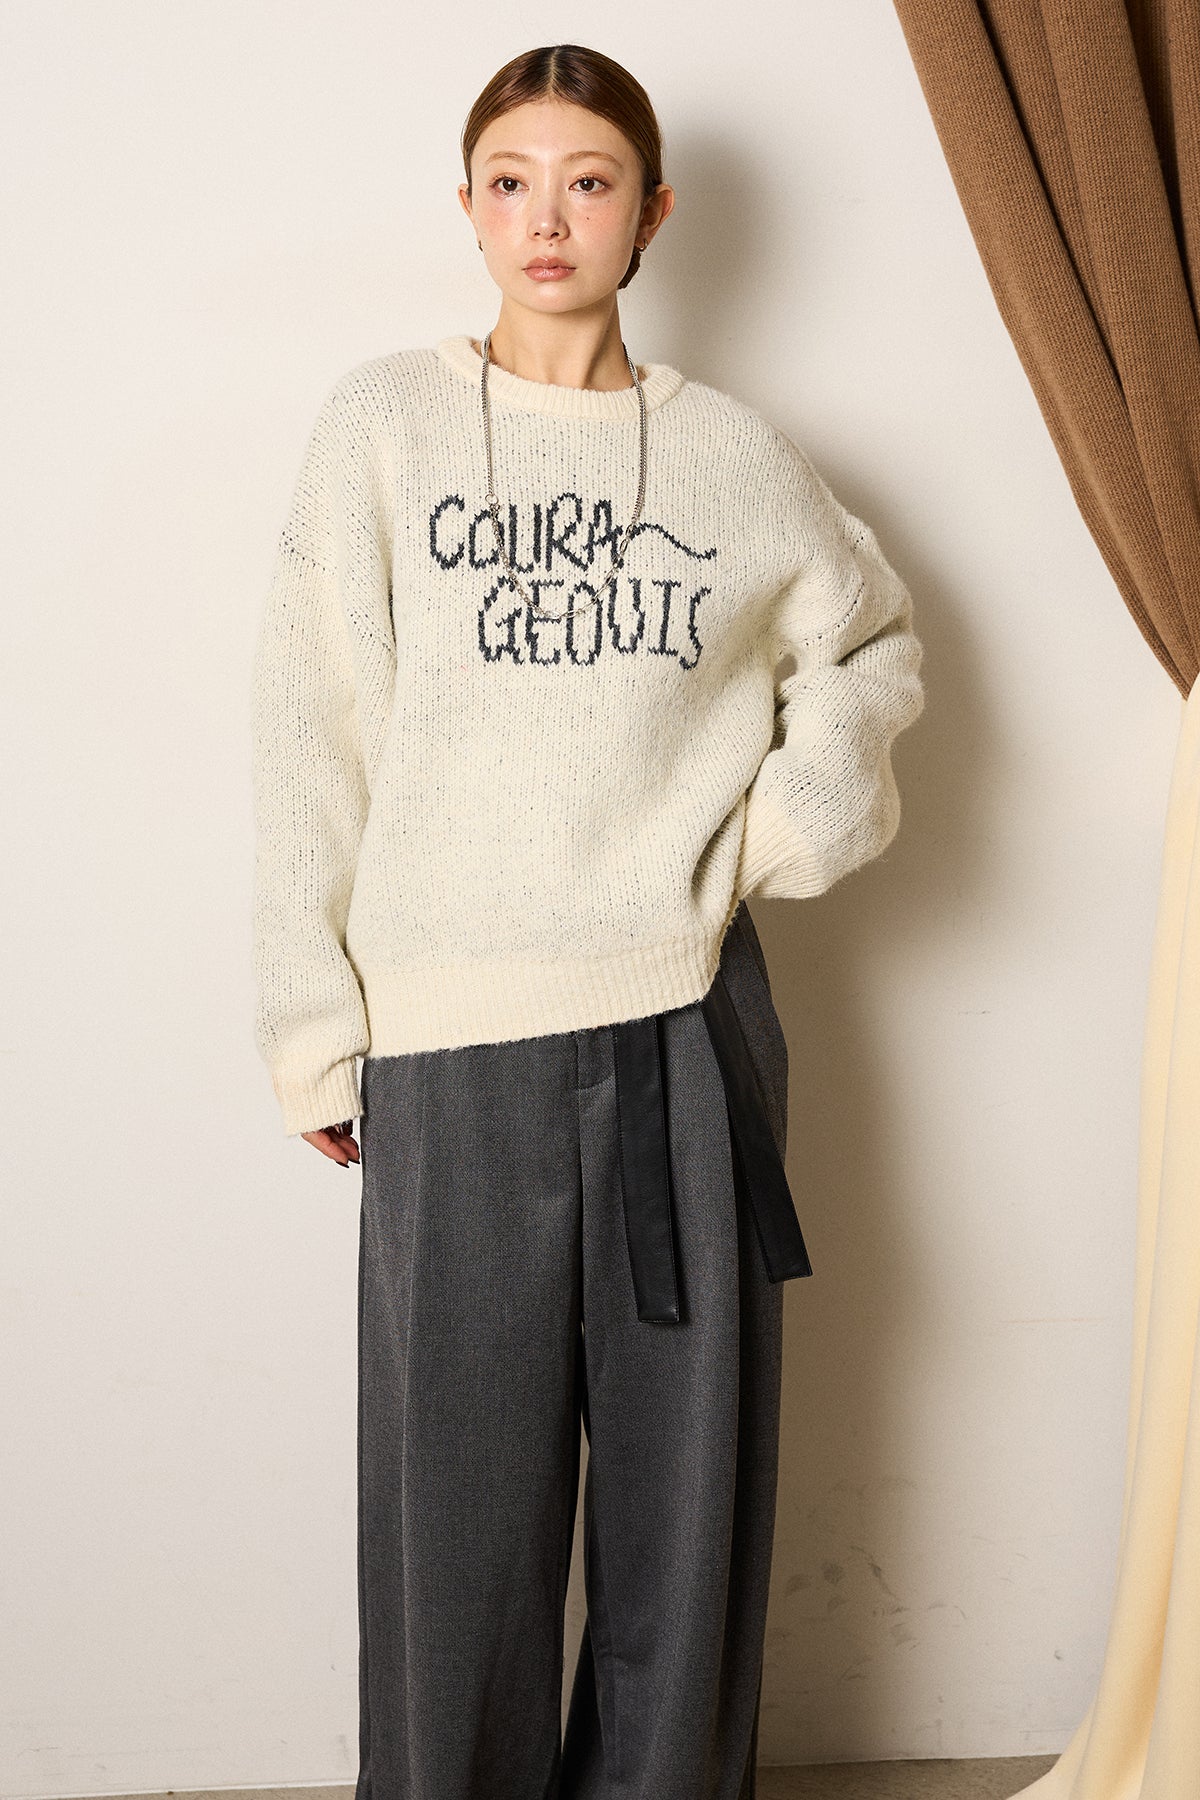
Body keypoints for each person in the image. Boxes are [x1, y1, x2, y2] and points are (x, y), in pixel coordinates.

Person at [250, 40, 924, 1800]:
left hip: (682, 1032)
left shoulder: (731, 456)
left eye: (590, 181)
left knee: (680, 1526)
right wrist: (311, 1020)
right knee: (453, 1526)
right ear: (469, 208)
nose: (547, 217)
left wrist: (785, 823)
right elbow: (312, 729)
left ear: (652, 213)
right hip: (452, 1049)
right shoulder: (381, 428)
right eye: (512, 182)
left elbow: (867, 645)